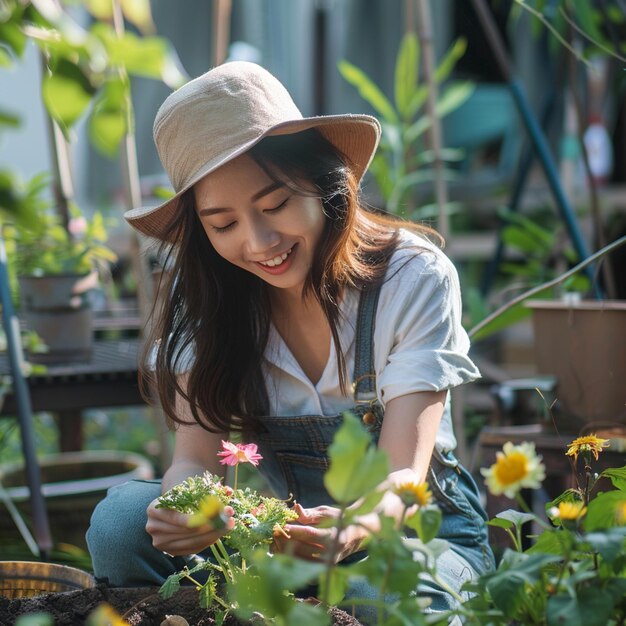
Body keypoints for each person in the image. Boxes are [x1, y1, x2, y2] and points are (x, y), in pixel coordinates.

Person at [87, 61, 495, 622]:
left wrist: (354, 527)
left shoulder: (411, 276)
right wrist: (185, 508)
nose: (260, 242)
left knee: (373, 599)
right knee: (119, 525)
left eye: (275, 205)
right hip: (284, 545)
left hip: (413, 540)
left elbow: (405, 476)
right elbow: (194, 462)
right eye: (223, 224)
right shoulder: (206, 292)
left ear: (323, 180)